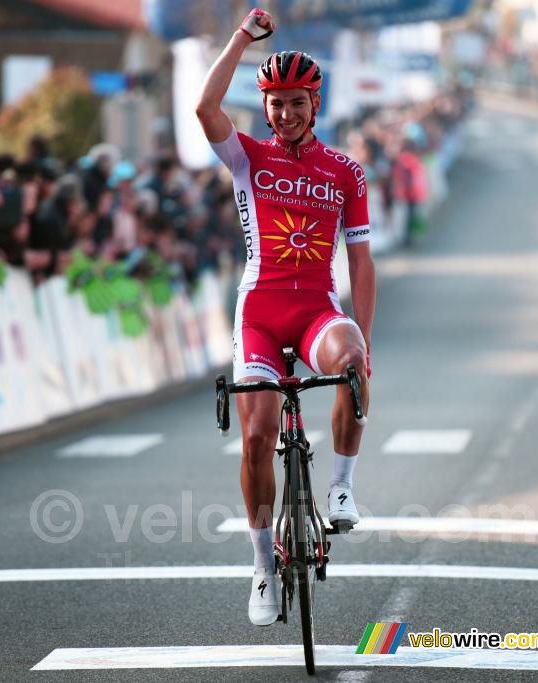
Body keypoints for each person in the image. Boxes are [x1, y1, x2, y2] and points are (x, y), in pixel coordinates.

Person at [195, 8, 375, 626]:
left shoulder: (345, 172)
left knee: (350, 362)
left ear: (314, 102)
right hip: (260, 313)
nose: (285, 113)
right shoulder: (246, 158)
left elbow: (361, 261)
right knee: (255, 435)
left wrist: (366, 341)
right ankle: (262, 568)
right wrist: (243, 39)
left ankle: (343, 485)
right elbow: (203, 107)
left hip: (315, 308)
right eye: (274, 102)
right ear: (264, 106)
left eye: (295, 101)